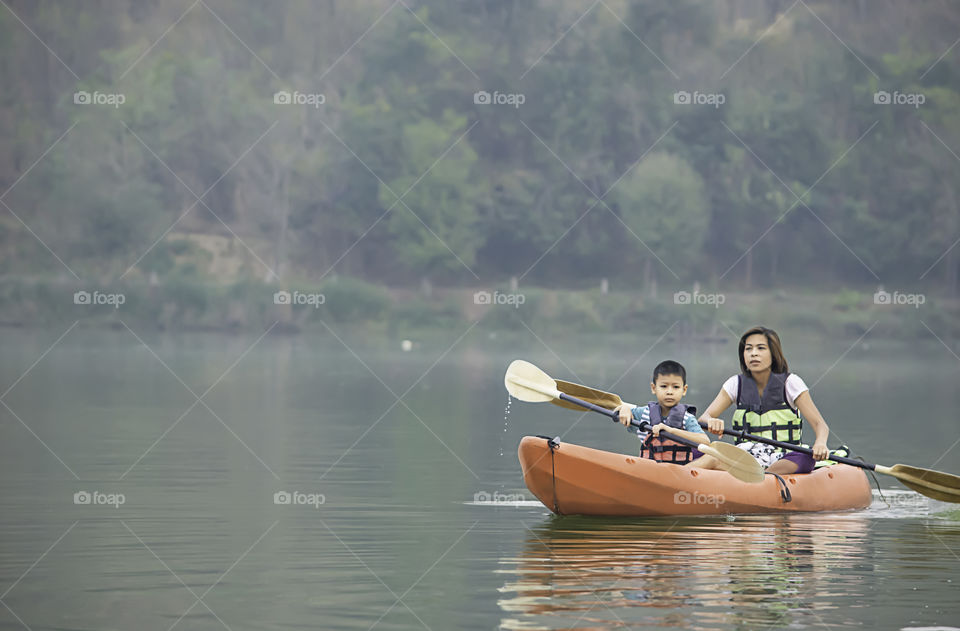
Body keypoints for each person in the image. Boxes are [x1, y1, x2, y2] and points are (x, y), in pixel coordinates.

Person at [692, 326, 830, 474]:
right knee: (696, 448)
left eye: (761, 348)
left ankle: (762, 477)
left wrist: (820, 443)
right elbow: (703, 419)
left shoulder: (791, 383)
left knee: (805, 457)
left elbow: (819, 424)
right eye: (748, 349)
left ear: (773, 353)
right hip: (745, 456)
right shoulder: (734, 384)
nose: (754, 354)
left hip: (783, 457)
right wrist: (711, 421)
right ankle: (751, 474)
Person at [614, 360, 709, 463]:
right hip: (648, 469)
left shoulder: (687, 418)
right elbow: (621, 409)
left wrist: (671, 431)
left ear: (684, 390)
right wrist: (624, 409)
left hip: (679, 472)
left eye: (676, 387)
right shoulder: (644, 413)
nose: (669, 392)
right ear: (654, 388)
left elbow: (705, 441)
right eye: (664, 386)